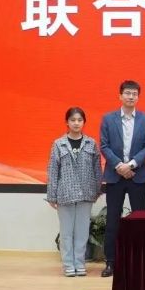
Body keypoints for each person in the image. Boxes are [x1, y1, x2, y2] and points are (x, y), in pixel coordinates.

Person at [99, 80, 145, 277]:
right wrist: (119, 166)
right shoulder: (108, 119)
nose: (131, 96)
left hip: (137, 175)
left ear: (138, 97)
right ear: (120, 96)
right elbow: (104, 146)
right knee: (112, 220)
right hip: (115, 176)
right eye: (128, 93)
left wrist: (130, 165)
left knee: (140, 221)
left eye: (134, 94)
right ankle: (110, 262)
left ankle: (139, 261)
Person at [46, 107, 102, 277]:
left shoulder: (91, 144)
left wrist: (97, 190)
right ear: (67, 122)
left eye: (79, 120)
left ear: (84, 122)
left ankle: (80, 263)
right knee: (66, 232)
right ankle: (68, 264)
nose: (76, 123)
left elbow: (97, 169)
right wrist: (52, 196)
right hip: (65, 194)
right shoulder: (58, 144)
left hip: (86, 193)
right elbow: (53, 170)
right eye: (73, 120)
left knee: (82, 232)